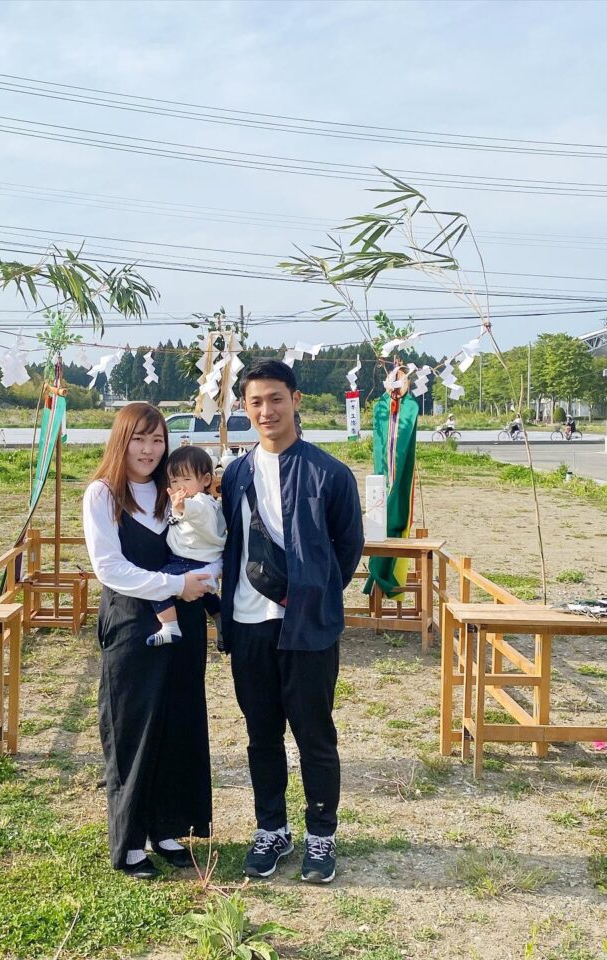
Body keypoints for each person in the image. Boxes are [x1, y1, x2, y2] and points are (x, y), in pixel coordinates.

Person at [220, 359, 365, 885]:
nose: (266, 410)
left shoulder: (330, 472)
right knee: (261, 735)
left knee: (314, 735)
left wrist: (315, 594)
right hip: (249, 623)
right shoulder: (234, 473)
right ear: (243, 407)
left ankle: (321, 835)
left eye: (276, 398)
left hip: (307, 629)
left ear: (296, 400)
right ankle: (271, 829)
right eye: (255, 401)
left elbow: (348, 548)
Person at [83, 402, 216, 879]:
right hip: (131, 626)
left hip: (186, 627)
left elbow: (206, 544)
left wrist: (203, 579)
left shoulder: (173, 491)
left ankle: (168, 827)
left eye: (157, 440)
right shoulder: (103, 495)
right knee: (131, 729)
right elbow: (110, 569)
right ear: (122, 440)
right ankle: (131, 840)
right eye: (139, 438)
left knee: (177, 725)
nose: (148, 449)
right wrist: (176, 586)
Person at [146, 445, 226, 648]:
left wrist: (180, 506)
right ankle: (220, 618)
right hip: (197, 559)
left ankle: (170, 626)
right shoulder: (205, 502)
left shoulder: (201, 502)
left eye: (186, 479)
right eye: (174, 480)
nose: (180, 486)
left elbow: (194, 510)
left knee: (158, 586)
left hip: (187, 561)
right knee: (207, 596)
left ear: (206, 480)